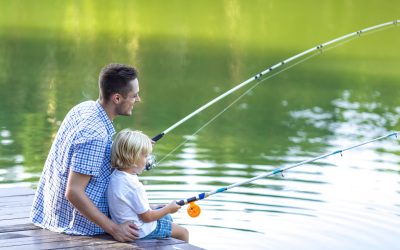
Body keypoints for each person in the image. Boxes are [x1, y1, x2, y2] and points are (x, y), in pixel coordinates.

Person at [30, 63, 141, 242]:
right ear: (117, 98)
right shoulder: (95, 135)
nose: (138, 99)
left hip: (52, 212)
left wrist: (135, 150)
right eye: (134, 95)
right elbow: (74, 192)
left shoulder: (85, 108)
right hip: (77, 225)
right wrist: (115, 229)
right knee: (167, 226)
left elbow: (96, 160)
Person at [107, 129, 189, 242]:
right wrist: (169, 208)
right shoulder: (134, 186)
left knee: (167, 218)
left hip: (127, 224)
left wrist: (156, 207)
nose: (147, 160)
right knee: (183, 232)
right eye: (145, 156)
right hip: (141, 231)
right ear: (132, 159)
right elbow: (147, 217)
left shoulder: (115, 175)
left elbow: (132, 203)